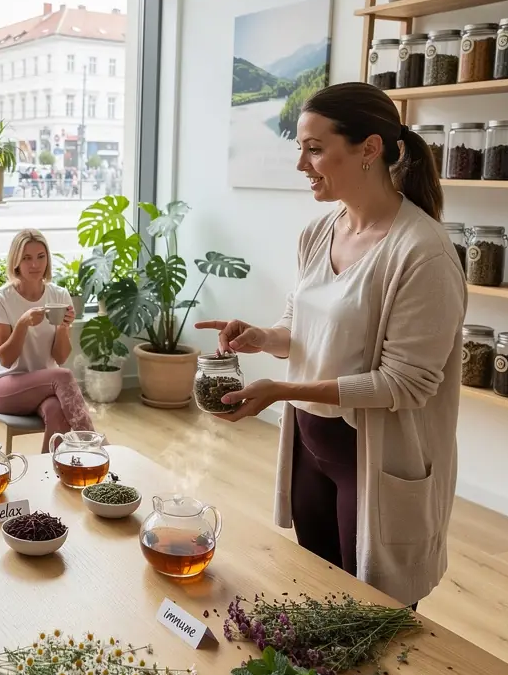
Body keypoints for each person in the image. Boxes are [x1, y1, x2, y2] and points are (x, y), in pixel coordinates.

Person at [196, 82, 466, 607]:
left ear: (369, 148)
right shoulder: (320, 232)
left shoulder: (423, 252)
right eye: (300, 147)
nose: (301, 163)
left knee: (373, 616)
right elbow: (299, 326)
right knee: (321, 602)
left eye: (315, 148)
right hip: (311, 451)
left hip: (372, 461)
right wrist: (261, 337)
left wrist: (280, 389)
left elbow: (405, 383)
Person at [0, 229, 95, 451]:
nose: (35, 264)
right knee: (62, 377)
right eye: (27, 258)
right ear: (16, 262)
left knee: (56, 409)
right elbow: (5, 359)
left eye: (40, 257)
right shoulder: (0, 299)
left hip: (46, 386)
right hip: (3, 386)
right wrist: (23, 324)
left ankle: (50, 472)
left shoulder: (59, 296)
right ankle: (95, 445)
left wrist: (64, 327)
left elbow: (60, 357)